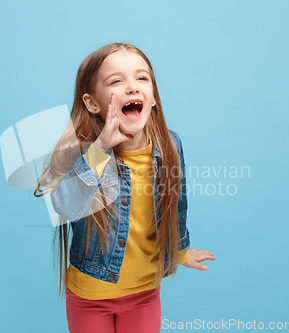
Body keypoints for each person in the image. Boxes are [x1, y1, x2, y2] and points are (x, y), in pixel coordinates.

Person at [34, 42, 215, 333]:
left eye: (142, 78)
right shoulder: (84, 153)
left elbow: (177, 202)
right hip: (90, 294)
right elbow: (64, 207)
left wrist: (180, 250)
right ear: (93, 103)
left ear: (153, 97)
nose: (132, 87)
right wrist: (101, 147)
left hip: (145, 292)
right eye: (117, 81)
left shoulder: (170, 144)